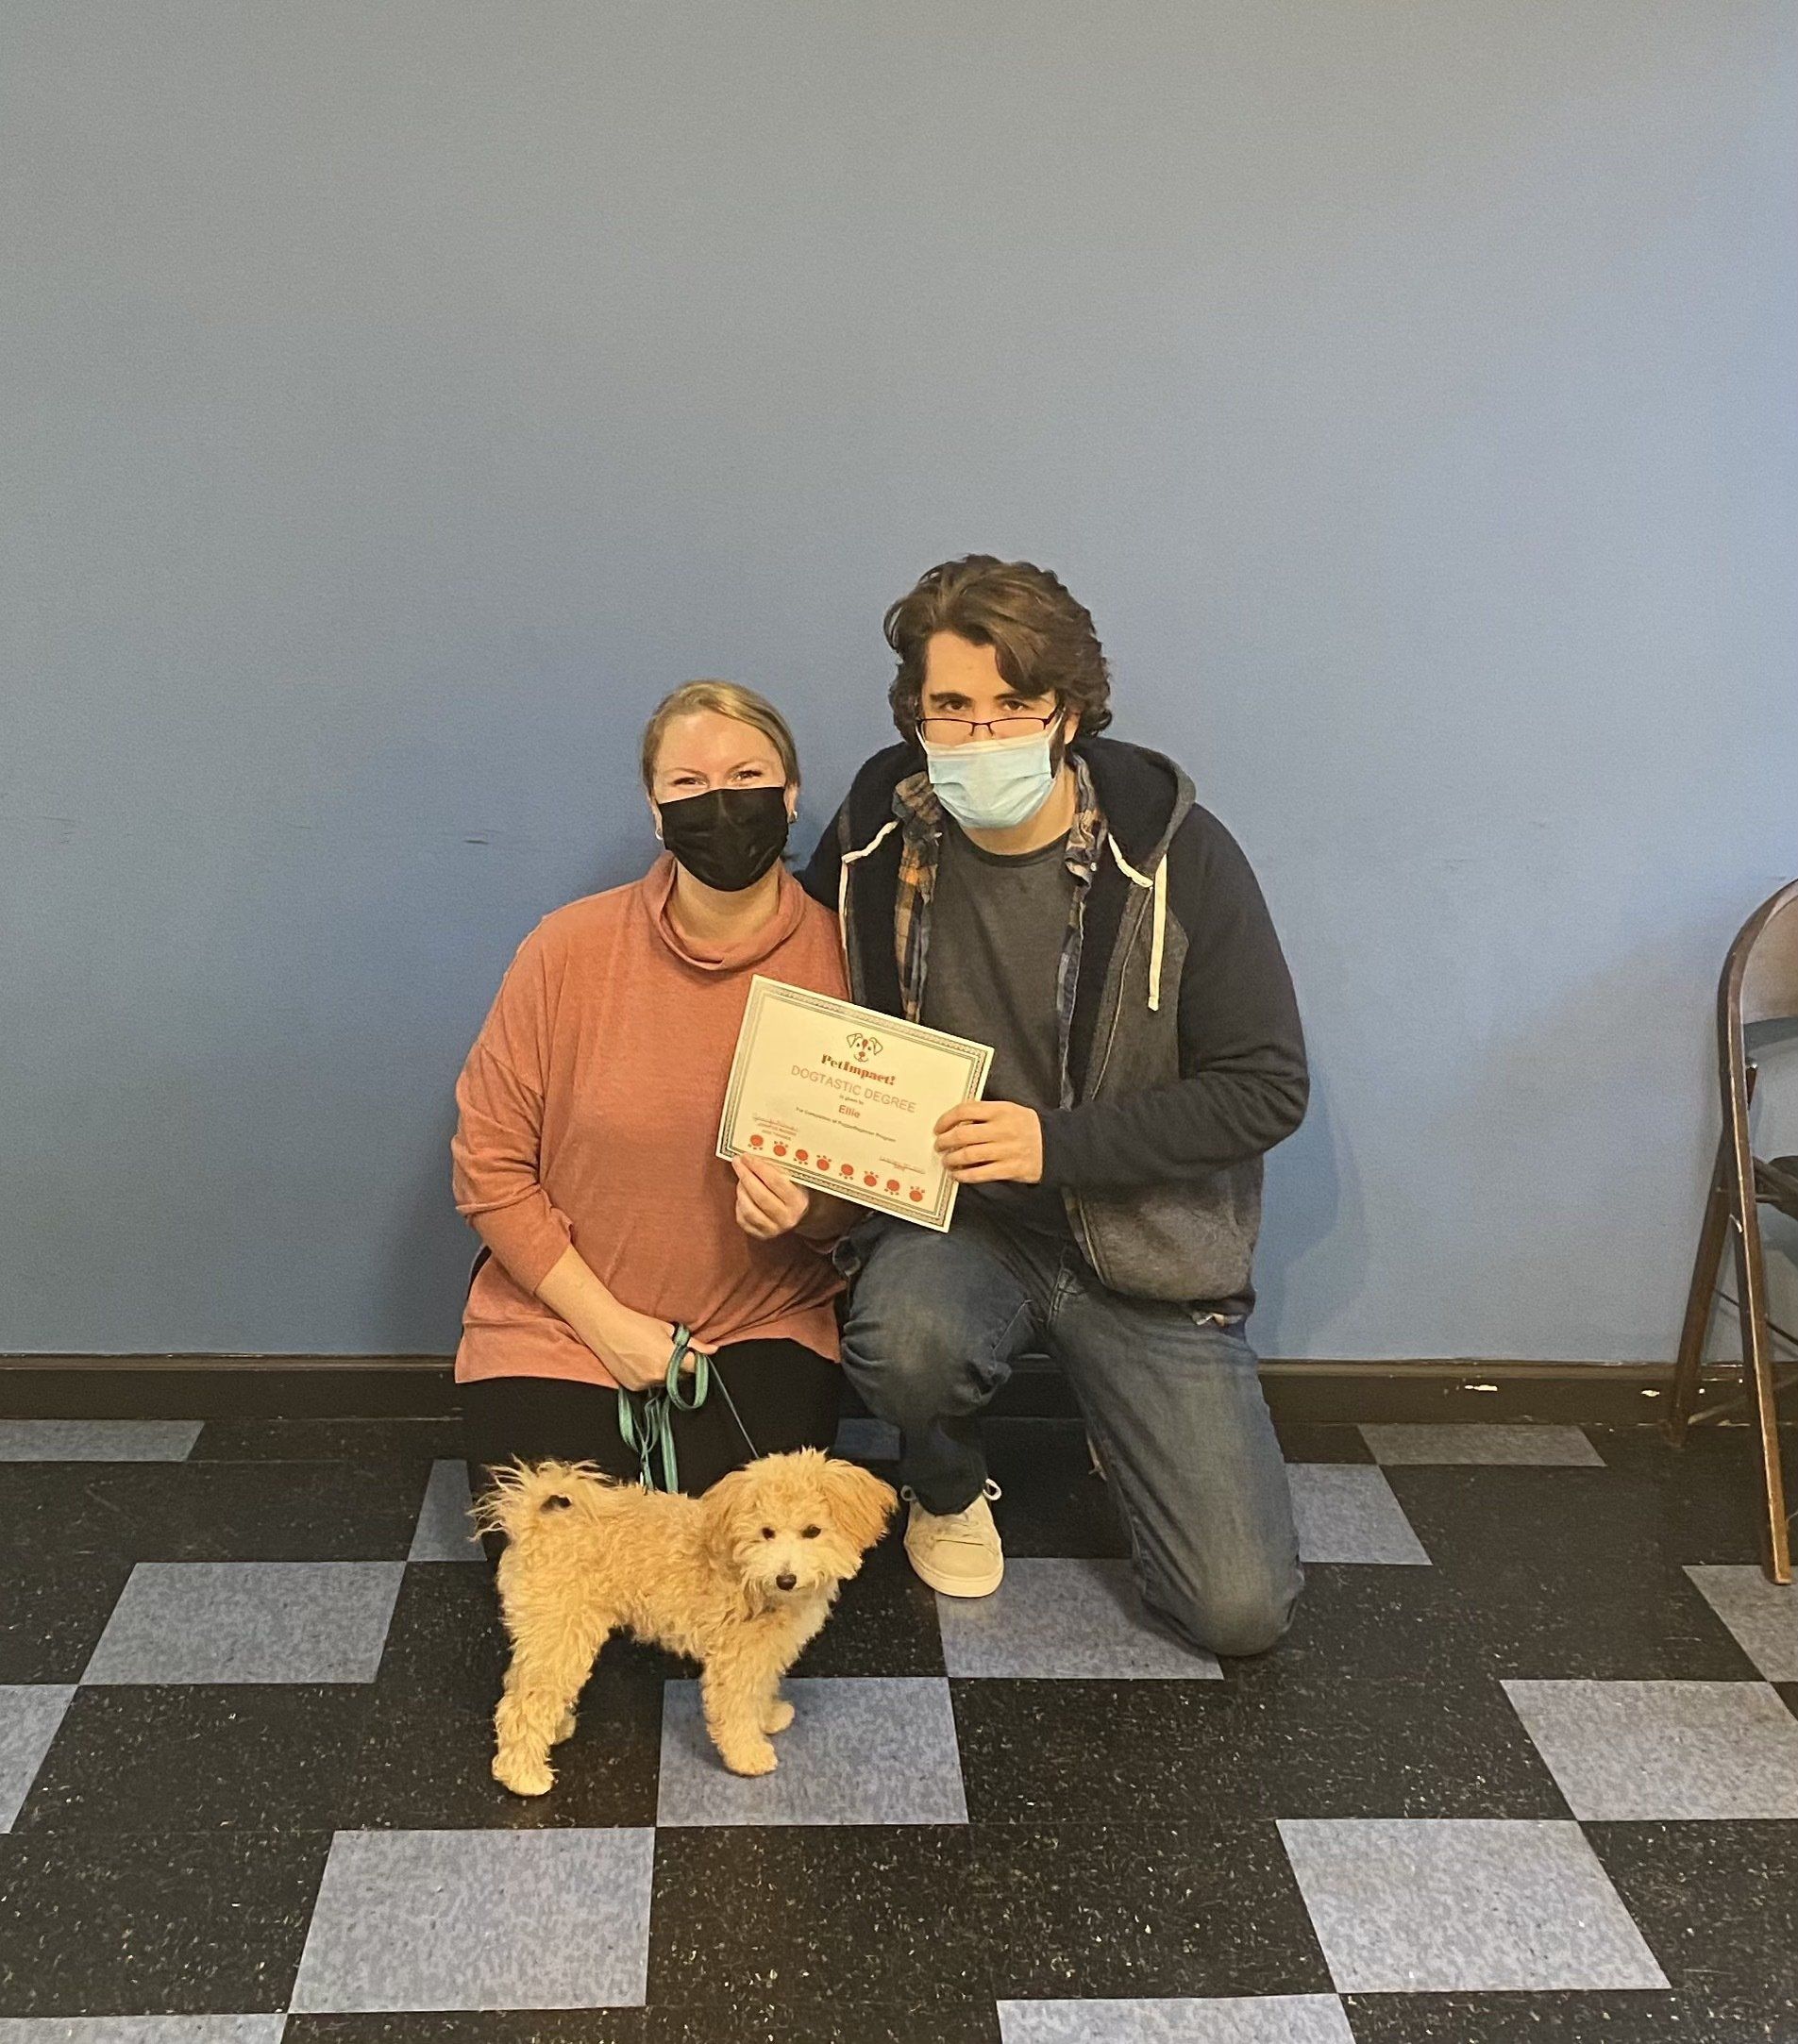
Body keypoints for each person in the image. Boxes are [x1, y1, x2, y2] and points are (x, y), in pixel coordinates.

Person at [799, 557, 1308, 1655]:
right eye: (951, 706)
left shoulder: (1180, 855)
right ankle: (944, 1484)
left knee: (1237, 1614)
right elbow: (792, 991)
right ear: (915, 712)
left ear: (1068, 711)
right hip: (961, 1223)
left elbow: (1267, 1088)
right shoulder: (877, 831)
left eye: (1015, 705)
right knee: (904, 1345)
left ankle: (1127, 1415)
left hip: (1147, 1247)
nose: (981, 736)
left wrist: (1057, 1145)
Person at [452, 681, 851, 1524]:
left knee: (739, 1567)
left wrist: (814, 1214)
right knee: (566, 1574)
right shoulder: (565, 951)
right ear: (655, 812)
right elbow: (489, 1170)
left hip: (762, 1324)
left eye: (746, 777)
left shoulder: (850, 960)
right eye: (688, 784)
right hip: (559, 1324)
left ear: (789, 796)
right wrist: (608, 1327)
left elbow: (875, 1189)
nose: (720, 804)